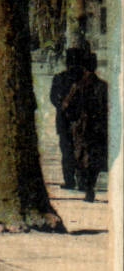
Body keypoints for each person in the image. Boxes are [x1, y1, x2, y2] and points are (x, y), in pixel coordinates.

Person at [62, 52, 108, 203]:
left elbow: (67, 105)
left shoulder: (78, 86)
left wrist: (73, 119)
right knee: (94, 158)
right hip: (98, 127)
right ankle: (90, 186)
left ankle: (85, 185)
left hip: (81, 127)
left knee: (81, 156)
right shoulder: (103, 86)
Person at [49, 48, 85, 190]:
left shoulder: (59, 78)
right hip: (81, 120)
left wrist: (62, 106)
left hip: (64, 119)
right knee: (81, 151)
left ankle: (69, 180)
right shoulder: (85, 78)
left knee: (67, 151)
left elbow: (53, 98)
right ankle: (81, 181)